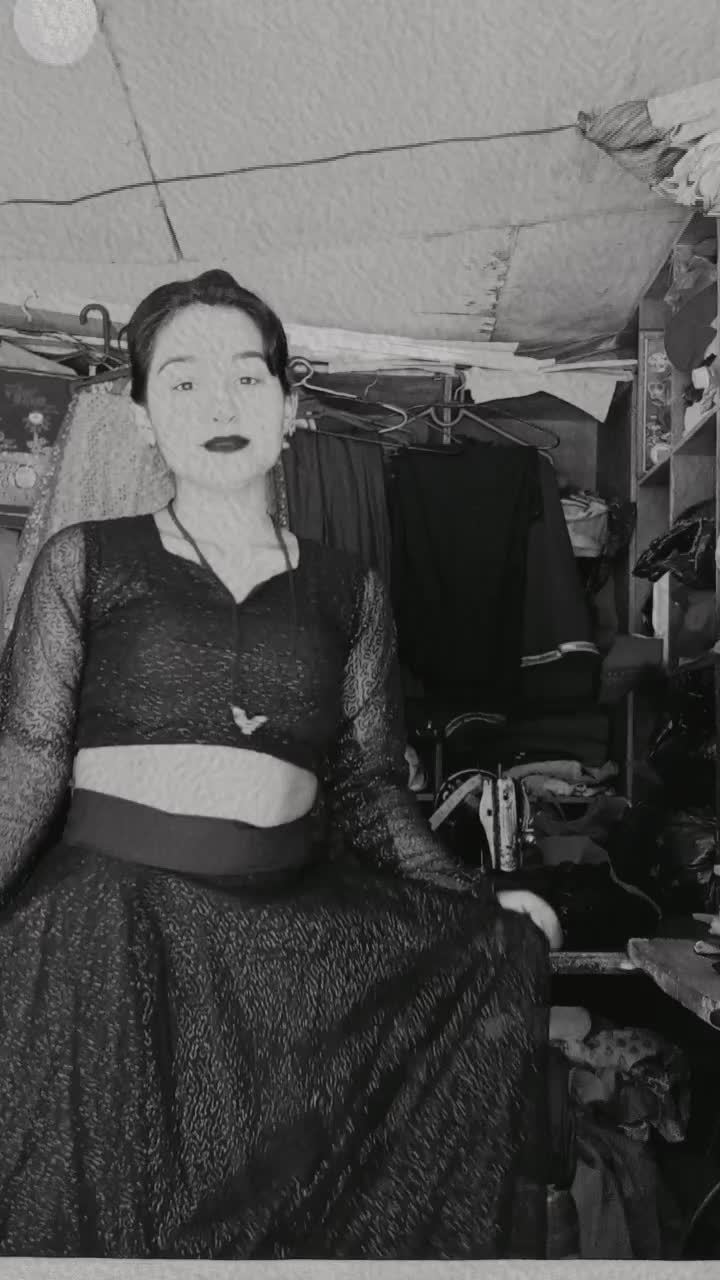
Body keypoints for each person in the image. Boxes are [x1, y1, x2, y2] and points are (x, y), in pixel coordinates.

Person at [0, 270, 561, 1260]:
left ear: (290, 407)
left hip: (283, 949)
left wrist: (472, 902)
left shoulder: (351, 588)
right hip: (105, 944)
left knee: (278, 1223)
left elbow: (368, 786)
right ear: (142, 416)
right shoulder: (85, 561)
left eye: (246, 377)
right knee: (102, 1229)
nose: (218, 404)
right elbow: (31, 760)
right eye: (182, 381)